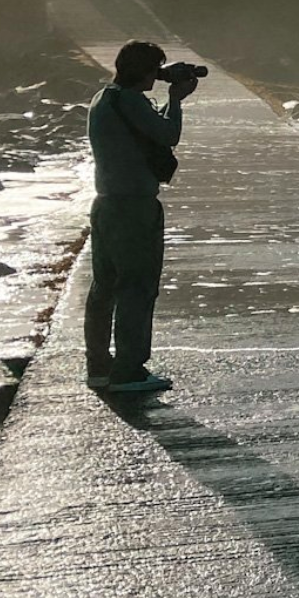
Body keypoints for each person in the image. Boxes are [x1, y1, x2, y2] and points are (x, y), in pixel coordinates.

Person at [85, 40, 197, 393]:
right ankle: (129, 369)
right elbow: (168, 135)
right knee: (137, 286)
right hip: (133, 207)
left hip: (106, 202)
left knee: (104, 288)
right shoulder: (131, 101)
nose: (156, 76)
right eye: (155, 69)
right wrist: (176, 99)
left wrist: (166, 96)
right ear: (145, 70)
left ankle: (100, 366)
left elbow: (146, 132)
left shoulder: (105, 98)